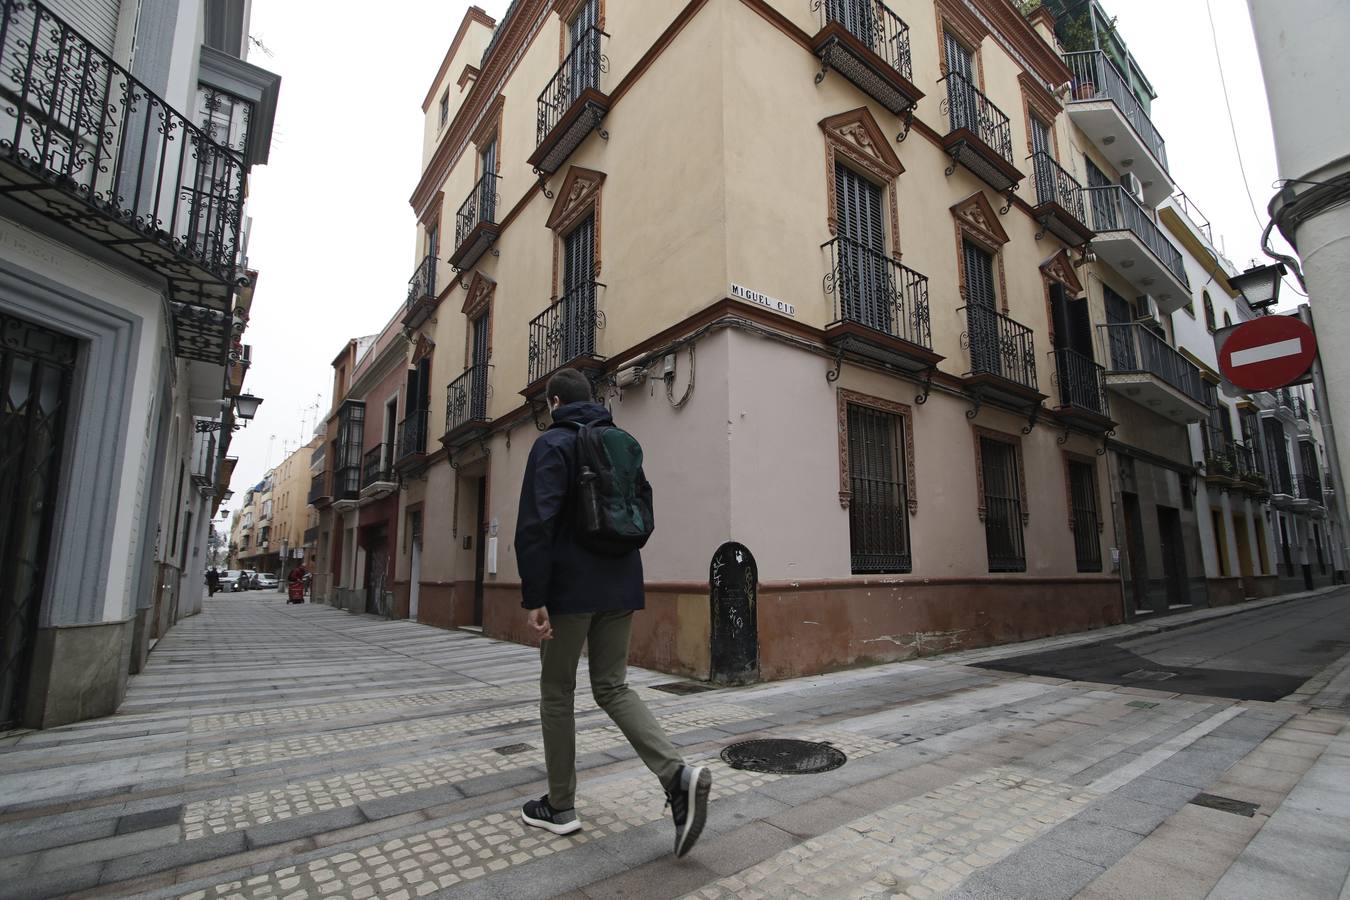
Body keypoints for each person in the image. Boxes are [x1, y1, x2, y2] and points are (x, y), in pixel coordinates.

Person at [515, 368, 711, 858]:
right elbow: (643, 512)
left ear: (555, 401)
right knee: (613, 685)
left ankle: (560, 806)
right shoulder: (620, 441)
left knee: (558, 691)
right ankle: (676, 775)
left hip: (569, 591)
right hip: (622, 583)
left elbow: (536, 522)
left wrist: (535, 595)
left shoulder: (552, 444)